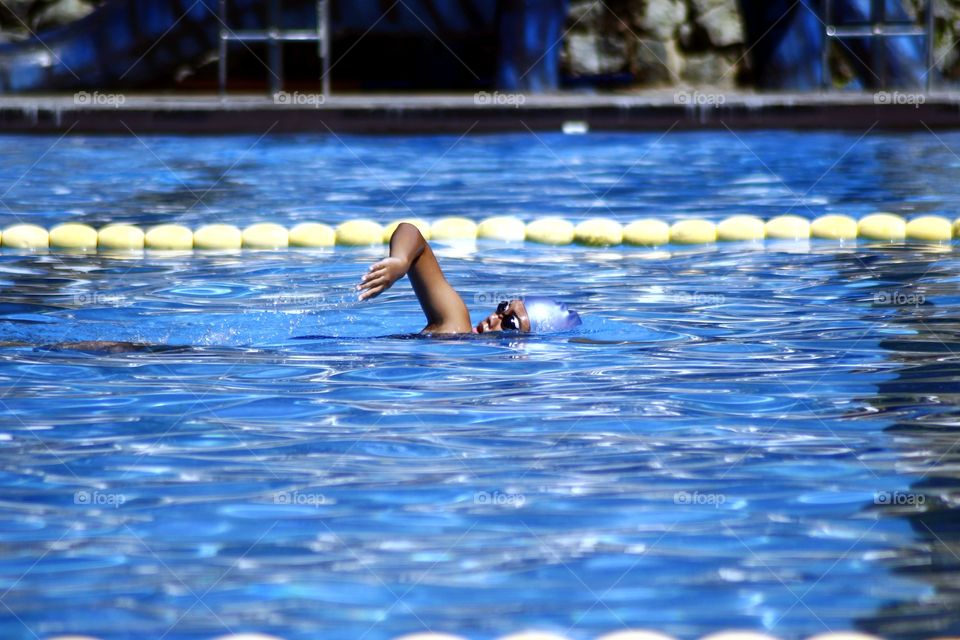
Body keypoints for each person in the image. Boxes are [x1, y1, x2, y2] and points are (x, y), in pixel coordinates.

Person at [358, 222, 581, 335]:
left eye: (511, 323)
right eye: (503, 307)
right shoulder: (455, 325)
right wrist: (400, 261)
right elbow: (411, 233)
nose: (494, 318)